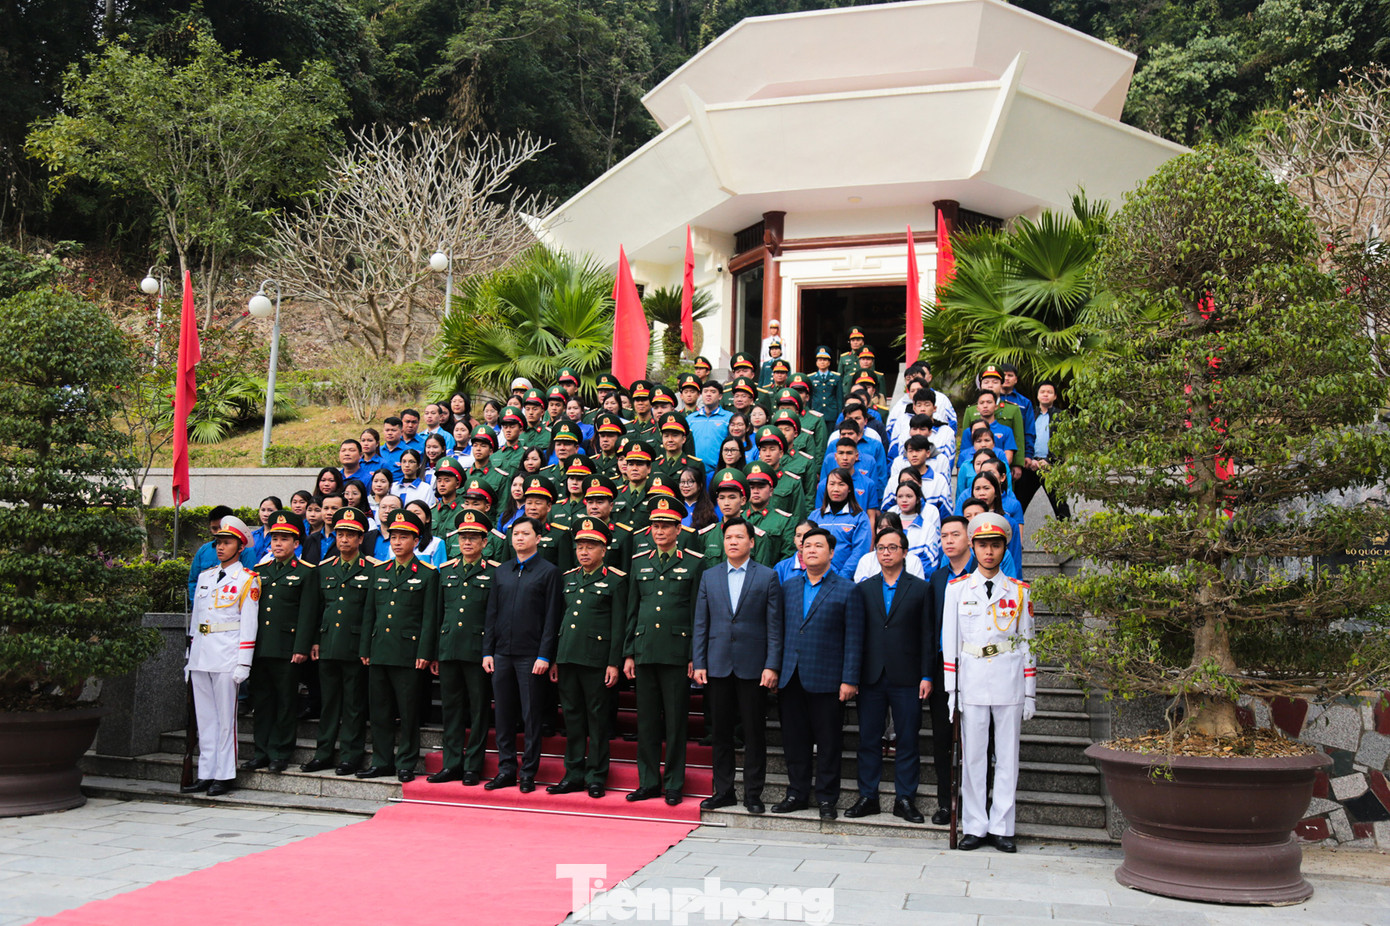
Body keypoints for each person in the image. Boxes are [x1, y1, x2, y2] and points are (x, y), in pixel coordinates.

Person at [943, 512, 1035, 853]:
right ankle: (975, 825)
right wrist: (951, 691)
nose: (989, 552)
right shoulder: (957, 590)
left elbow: (1028, 643)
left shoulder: (1019, 591)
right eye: (982, 545)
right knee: (973, 758)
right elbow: (950, 642)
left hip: (1009, 678)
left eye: (995, 545)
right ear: (972, 547)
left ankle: (1002, 827)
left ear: (1004, 548)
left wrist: (1030, 692)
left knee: (1007, 757)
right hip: (972, 679)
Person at [693, 517, 782, 815]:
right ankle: (724, 791)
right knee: (721, 733)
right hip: (717, 665)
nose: (733, 542)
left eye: (739, 537)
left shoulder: (767, 577)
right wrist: (700, 661)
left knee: (754, 733)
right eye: (729, 537)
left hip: (754, 667)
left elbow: (774, 626)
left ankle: (753, 793)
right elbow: (701, 623)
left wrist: (772, 665)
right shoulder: (710, 576)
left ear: (751, 542)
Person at [773, 527, 863, 820]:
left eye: (818, 545)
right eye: (807, 545)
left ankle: (826, 798)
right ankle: (796, 793)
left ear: (832, 552)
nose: (811, 550)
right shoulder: (788, 587)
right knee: (794, 740)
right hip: (791, 676)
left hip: (828, 678)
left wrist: (849, 679)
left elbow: (854, 638)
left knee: (829, 742)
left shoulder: (847, 589)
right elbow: (779, 631)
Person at [846, 526, 932, 824]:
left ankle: (905, 799)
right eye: (881, 548)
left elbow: (927, 635)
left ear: (905, 552)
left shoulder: (921, 589)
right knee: (868, 739)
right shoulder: (864, 588)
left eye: (893, 547)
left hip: (908, 677)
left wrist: (927, 675)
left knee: (907, 739)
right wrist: (853, 675)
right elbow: (856, 635)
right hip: (871, 676)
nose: (886, 553)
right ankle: (867, 796)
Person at [624, 496, 705, 805]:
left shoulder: (694, 562)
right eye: (655, 526)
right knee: (646, 722)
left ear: (678, 529)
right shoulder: (639, 561)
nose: (659, 531)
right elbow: (633, 609)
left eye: (666, 526)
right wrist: (629, 652)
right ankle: (648, 782)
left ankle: (673, 783)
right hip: (645, 650)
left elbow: (697, 613)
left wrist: (694, 655)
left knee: (675, 722)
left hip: (676, 652)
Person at [547, 517, 628, 797]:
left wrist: (614, 662)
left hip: (597, 660)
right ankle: (573, 774)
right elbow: (560, 620)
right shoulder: (569, 578)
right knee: (572, 719)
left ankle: (596, 776)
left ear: (603, 550)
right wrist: (555, 658)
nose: (584, 552)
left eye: (590, 546)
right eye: (580, 546)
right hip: (568, 657)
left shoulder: (615, 580)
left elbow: (618, 626)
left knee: (598, 721)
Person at [181, 516, 260, 797]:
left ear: (240, 547)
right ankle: (206, 772)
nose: (221, 547)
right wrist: (189, 656)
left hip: (227, 655)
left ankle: (224, 775)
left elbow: (249, 623)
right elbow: (197, 620)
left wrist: (244, 662)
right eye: (218, 543)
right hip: (202, 654)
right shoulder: (205, 577)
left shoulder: (247, 580)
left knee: (226, 720)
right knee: (205, 719)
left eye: (227, 543)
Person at [357, 509, 438, 782]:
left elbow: (429, 618)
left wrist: (425, 652)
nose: (397, 542)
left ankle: (406, 762)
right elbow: (370, 613)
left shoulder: (427, 574)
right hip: (380, 649)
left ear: (416, 540)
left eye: (404, 537)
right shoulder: (379, 571)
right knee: (380, 711)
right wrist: (365, 648)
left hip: (408, 653)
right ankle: (382, 761)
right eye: (393, 537)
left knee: (408, 712)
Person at [483, 516, 563, 792]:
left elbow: (552, 617)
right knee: (503, 715)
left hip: (531, 655)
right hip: (502, 654)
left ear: (538, 538)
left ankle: (528, 772)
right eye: (515, 533)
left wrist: (545, 655)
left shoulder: (549, 572)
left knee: (531, 716)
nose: (519, 538)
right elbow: (492, 614)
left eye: (525, 533)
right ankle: (506, 769)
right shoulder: (502, 571)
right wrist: (488, 651)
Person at [298, 506, 376, 776]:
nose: (344, 539)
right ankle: (323, 753)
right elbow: (317, 609)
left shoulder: (372, 569)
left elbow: (371, 613)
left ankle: (351, 756)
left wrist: (366, 646)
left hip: (355, 647)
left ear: (360, 538)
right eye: (340, 534)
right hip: (328, 644)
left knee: (354, 705)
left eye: (350, 535)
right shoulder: (324, 569)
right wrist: (314, 640)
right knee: (329, 703)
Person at [422, 508, 498, 786]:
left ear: (484, 542)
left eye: (473, 537)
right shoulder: (445, 571)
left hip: (478, 652)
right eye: (463, 537)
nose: (467, 542)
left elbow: (495, 618)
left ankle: (473, 766)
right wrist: (434, 652)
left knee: (478, 710)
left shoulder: (494, 573)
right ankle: (452, 763)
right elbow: (437, 614)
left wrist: (490, 651)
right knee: (451, 709)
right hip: (449, 649)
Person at [242, 511, 318, 773]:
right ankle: (261, 751)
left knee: (286, 702)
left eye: (284, 539)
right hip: (261, 647)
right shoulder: (259, 571)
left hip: (288, 648)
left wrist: (301, 647)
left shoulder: (306, 572)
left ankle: (280, 753)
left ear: (296, 543)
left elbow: (308, 613)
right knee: (262, 702)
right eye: (275, 539)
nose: (278, 544)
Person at [186, 505, 257, 608]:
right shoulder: (204, 550)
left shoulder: (246, 551)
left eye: (221, 527)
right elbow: (193, 580)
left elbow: (248, 583)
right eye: (214, 528)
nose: (218, 532)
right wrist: (197, 605)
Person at [814, 467, 871, 579]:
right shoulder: (815, 516)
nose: (836, 489)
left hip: (846, 580)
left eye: (841, 484)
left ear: (849, 488)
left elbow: (860, 551)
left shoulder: (859, 517)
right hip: (817, 577)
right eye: (832, 484)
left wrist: (842, 577)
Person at [406, 498, 449, 568]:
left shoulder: (436, 543)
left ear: (427, 518)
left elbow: (439, 571)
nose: (412, 517)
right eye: (409, 514)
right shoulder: (395, 544)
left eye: (417, 513)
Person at [249, 496, 281, 562]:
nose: (265, 514)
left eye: (270, 510)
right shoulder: (252, 536)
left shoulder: (282, 536)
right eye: (263, 510)